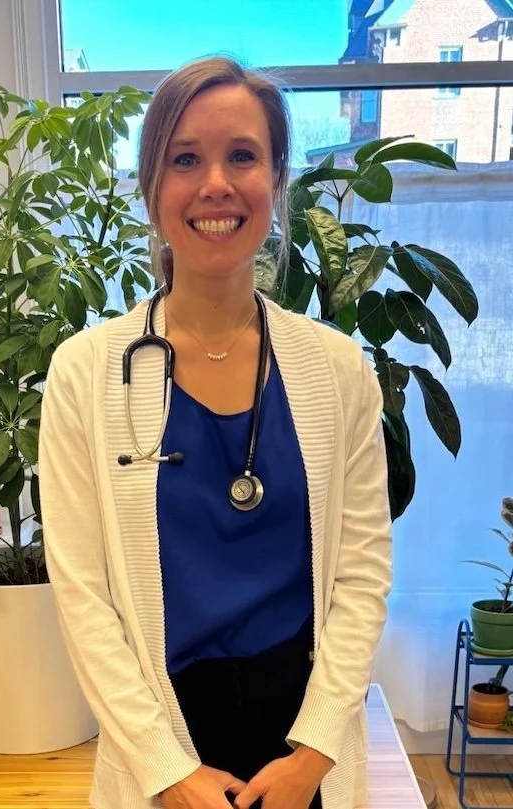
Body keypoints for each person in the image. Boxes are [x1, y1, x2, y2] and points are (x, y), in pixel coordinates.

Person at [39, 55, 392, 809]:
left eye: (243, 156)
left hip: (302, 745)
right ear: (150, 186)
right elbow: (83, 595)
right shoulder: (84, 375)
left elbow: (361, 573)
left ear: (277, 179)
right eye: (185, 159)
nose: (216, 185)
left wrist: (317, 750)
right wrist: (165, 769)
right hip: (161, 741)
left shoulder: (338, 370)